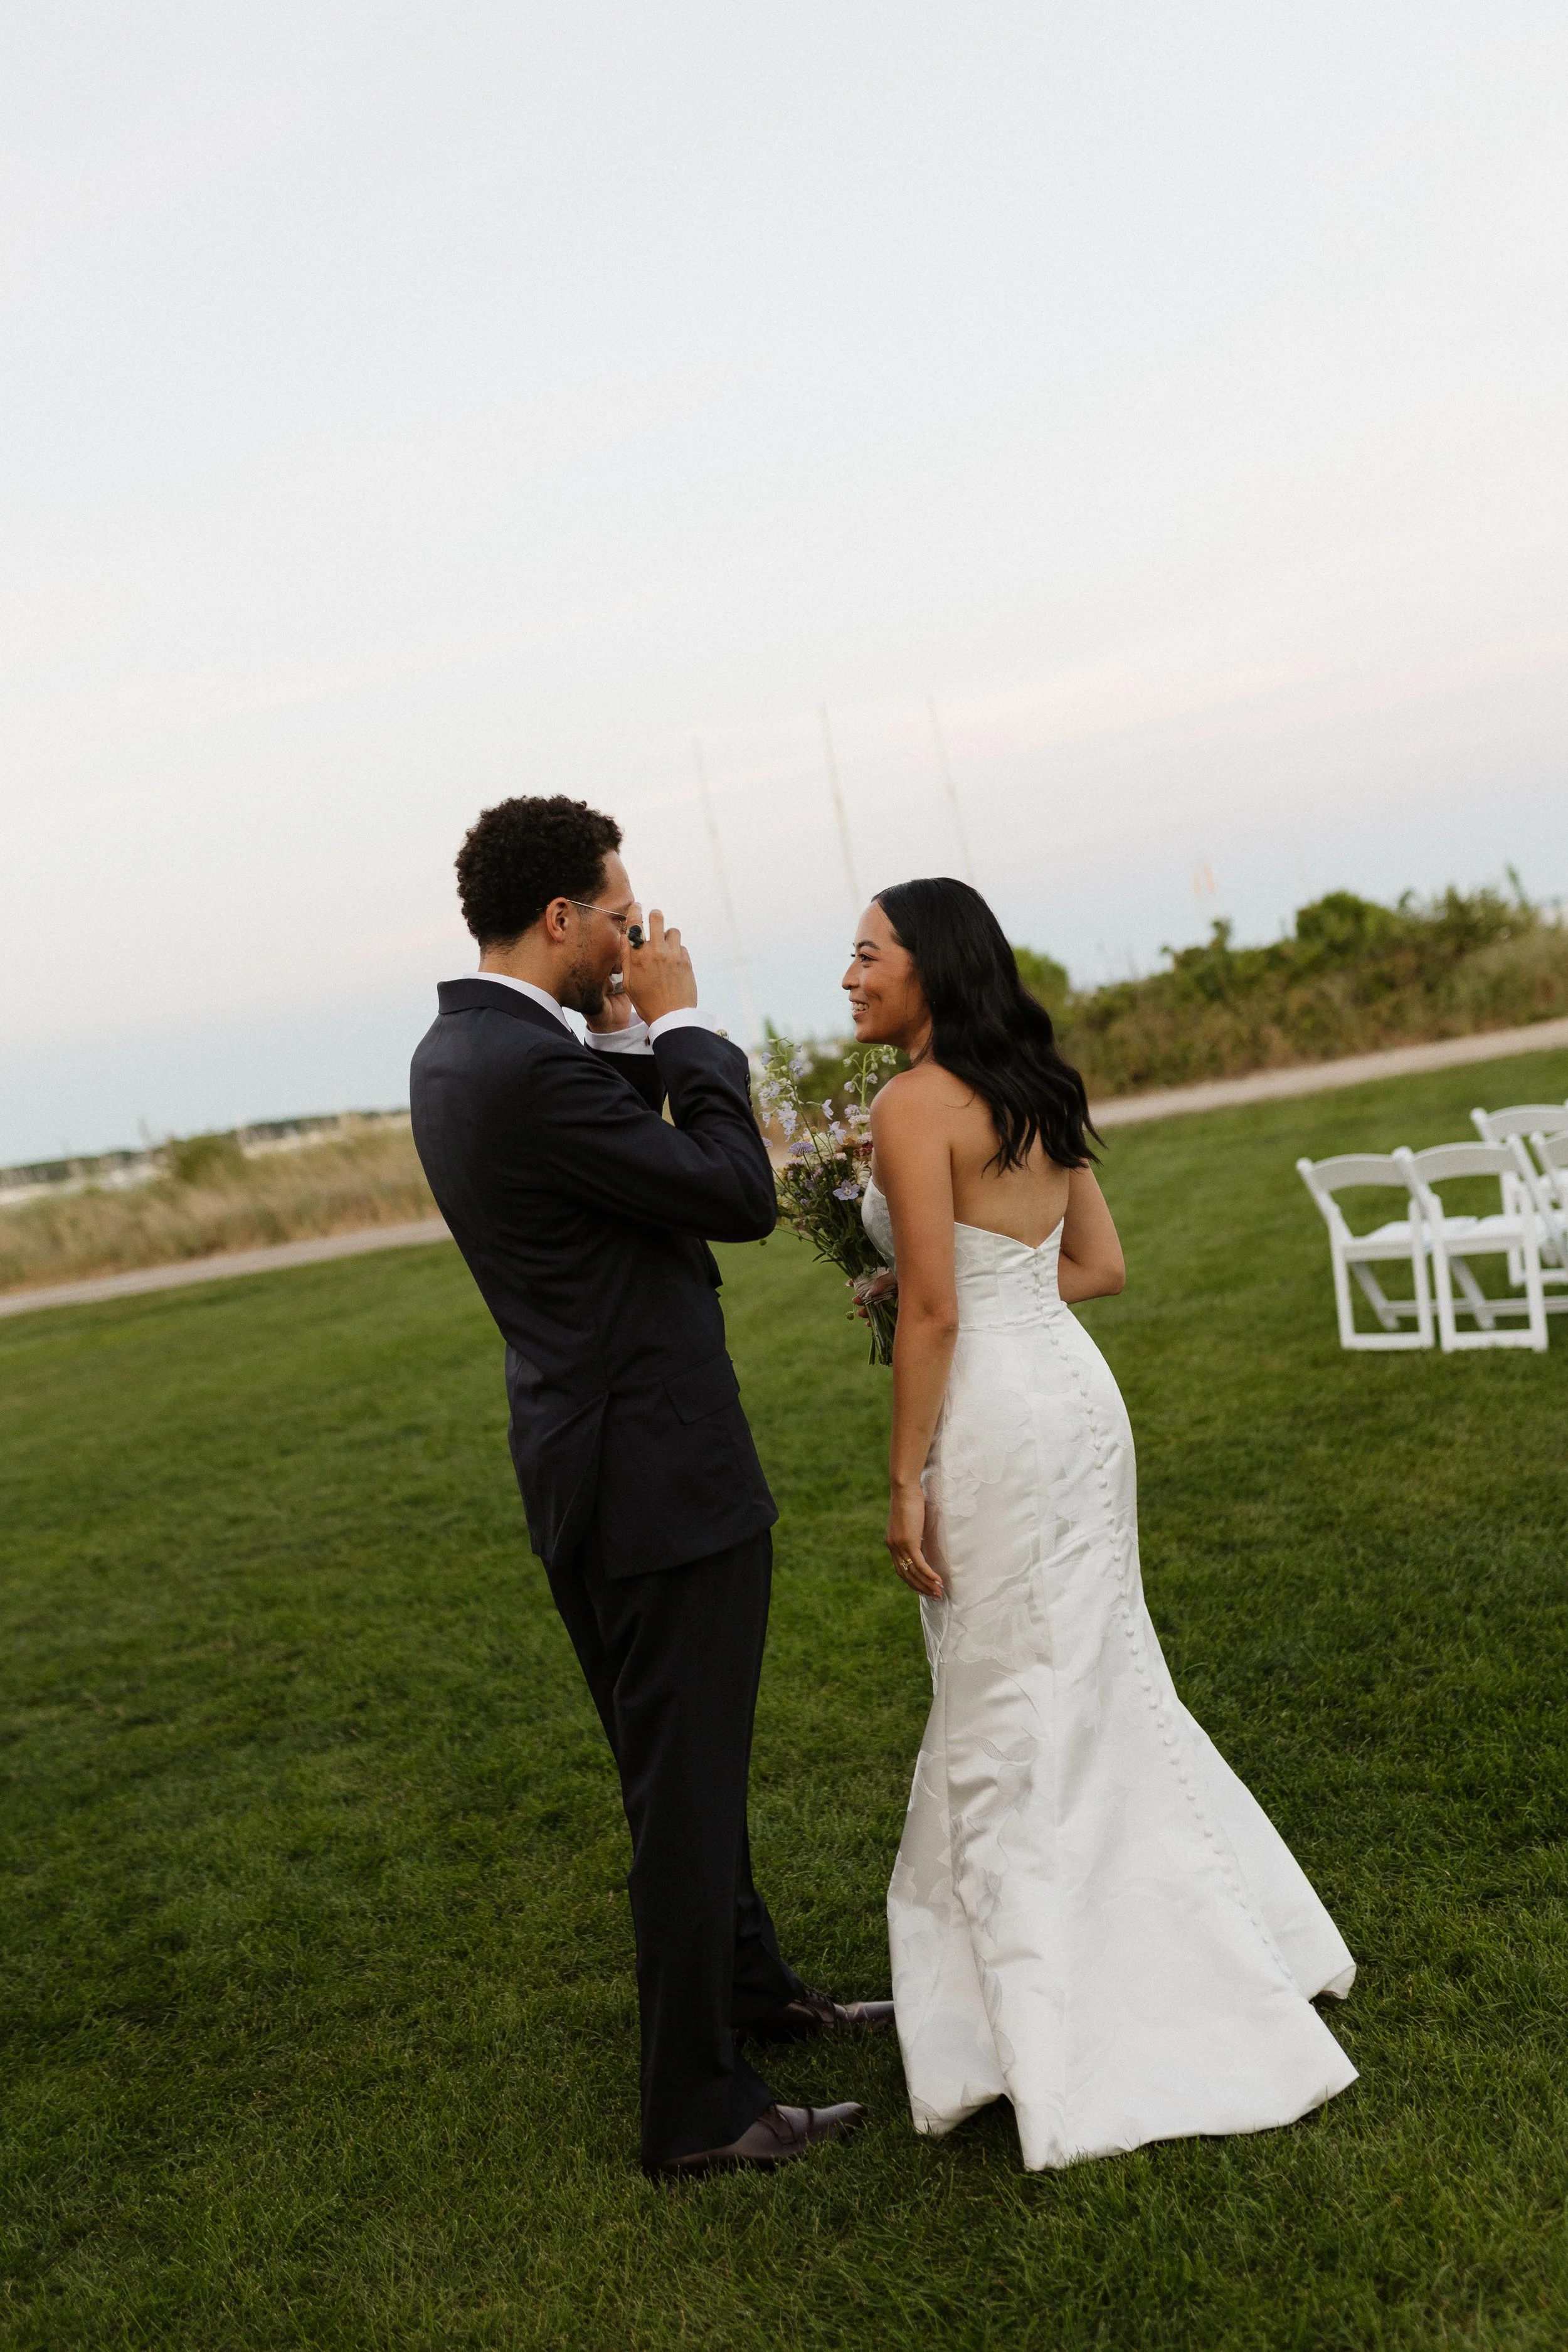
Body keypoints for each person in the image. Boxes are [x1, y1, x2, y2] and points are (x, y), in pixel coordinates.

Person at [410, 795, 891, 2179]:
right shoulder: (518, 1068)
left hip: (584, 1463)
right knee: (683, 1794)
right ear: (561, 917)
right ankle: (697, 2107)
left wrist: (623, 1035)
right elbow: (729, 1190)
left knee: (679, 1774)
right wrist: (683, 1026)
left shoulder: (468, 1052)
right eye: (620, 913)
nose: (638, 931)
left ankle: (750, 1996)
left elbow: (621, 1173)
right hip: (654, 1475)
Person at [844, 876, 1356, 2172]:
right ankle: (1217, 1940)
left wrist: (903, 1472)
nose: (846, 979)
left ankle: (1063, 2007)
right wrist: (944, 1286)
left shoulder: (910, 1104)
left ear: (928, 970)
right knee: (1095, 1674)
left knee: (1009, 1692)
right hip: (1072, 1397)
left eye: (864, 958)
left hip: (992, 1421)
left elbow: (934, 1316)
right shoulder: (1035, 1084)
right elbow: (1093, 1270)